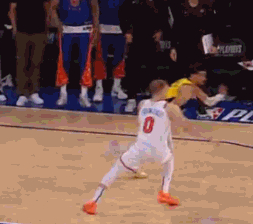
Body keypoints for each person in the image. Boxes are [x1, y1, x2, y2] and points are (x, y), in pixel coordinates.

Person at [82, 79, 212, 215]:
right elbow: (186, 126)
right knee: (169, 161)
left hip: (140, 148)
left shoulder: (142, 104)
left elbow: (142, 122)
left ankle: (93, 202)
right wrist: (205, 137)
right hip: (159, 150)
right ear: (163, 90)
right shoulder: (169, 107)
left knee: (114, 171)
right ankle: (164, 192)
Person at [50, 0, 100, 108]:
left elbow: (95, 7)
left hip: (85, 28)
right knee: (63, 61)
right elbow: (53, 7)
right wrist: (57, 23)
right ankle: (63, 93)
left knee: (85, 62)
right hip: (66, 29)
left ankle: (84, 94)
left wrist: (96, 27)